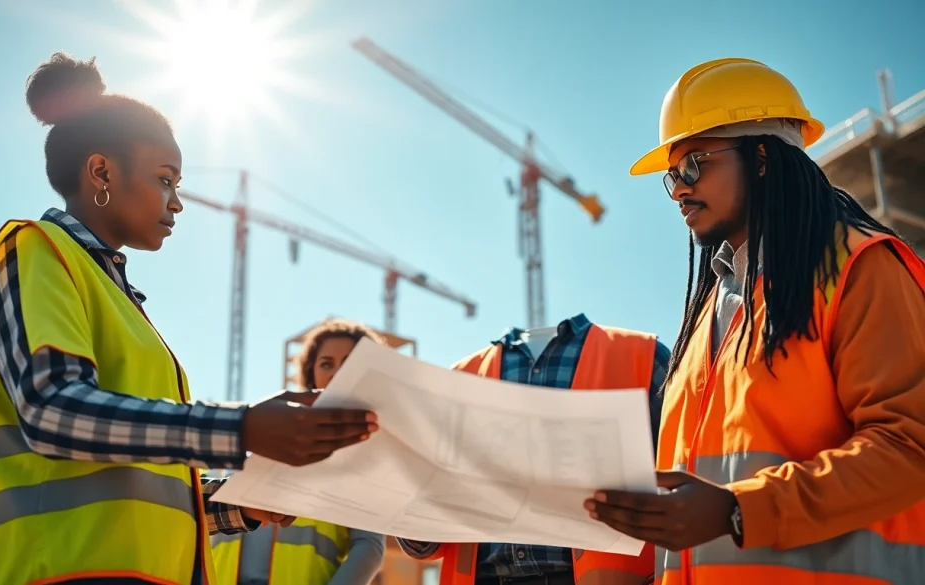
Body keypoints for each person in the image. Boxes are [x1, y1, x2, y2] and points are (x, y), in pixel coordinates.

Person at [0, 53, 378, 585]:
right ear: (101, 171)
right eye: (166, 180)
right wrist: (242, 428)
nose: (177, 203)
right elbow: (52, 411)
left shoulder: (117, 296)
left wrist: (243, 502)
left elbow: (142, 487)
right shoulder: (36, 251)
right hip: (42, 572)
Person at [585, 58, 925, 584]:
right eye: (672, 176)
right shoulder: (706, 319)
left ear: (761, 158)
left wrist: (739, 510)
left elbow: (910, 447)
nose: (679, 189)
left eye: (694, 165)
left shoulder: (860, 267)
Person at [398, 312, 671, 585]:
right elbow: (425, 544)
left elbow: (684, 492)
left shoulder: (644, 356)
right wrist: (401, 478)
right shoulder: (457, 379)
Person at [211, 318, 387, 585]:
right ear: (310, 371)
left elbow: (369, 547)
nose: (336, 373)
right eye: (326, 363)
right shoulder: (274, 431)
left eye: (350, 364)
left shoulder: (367, 456)